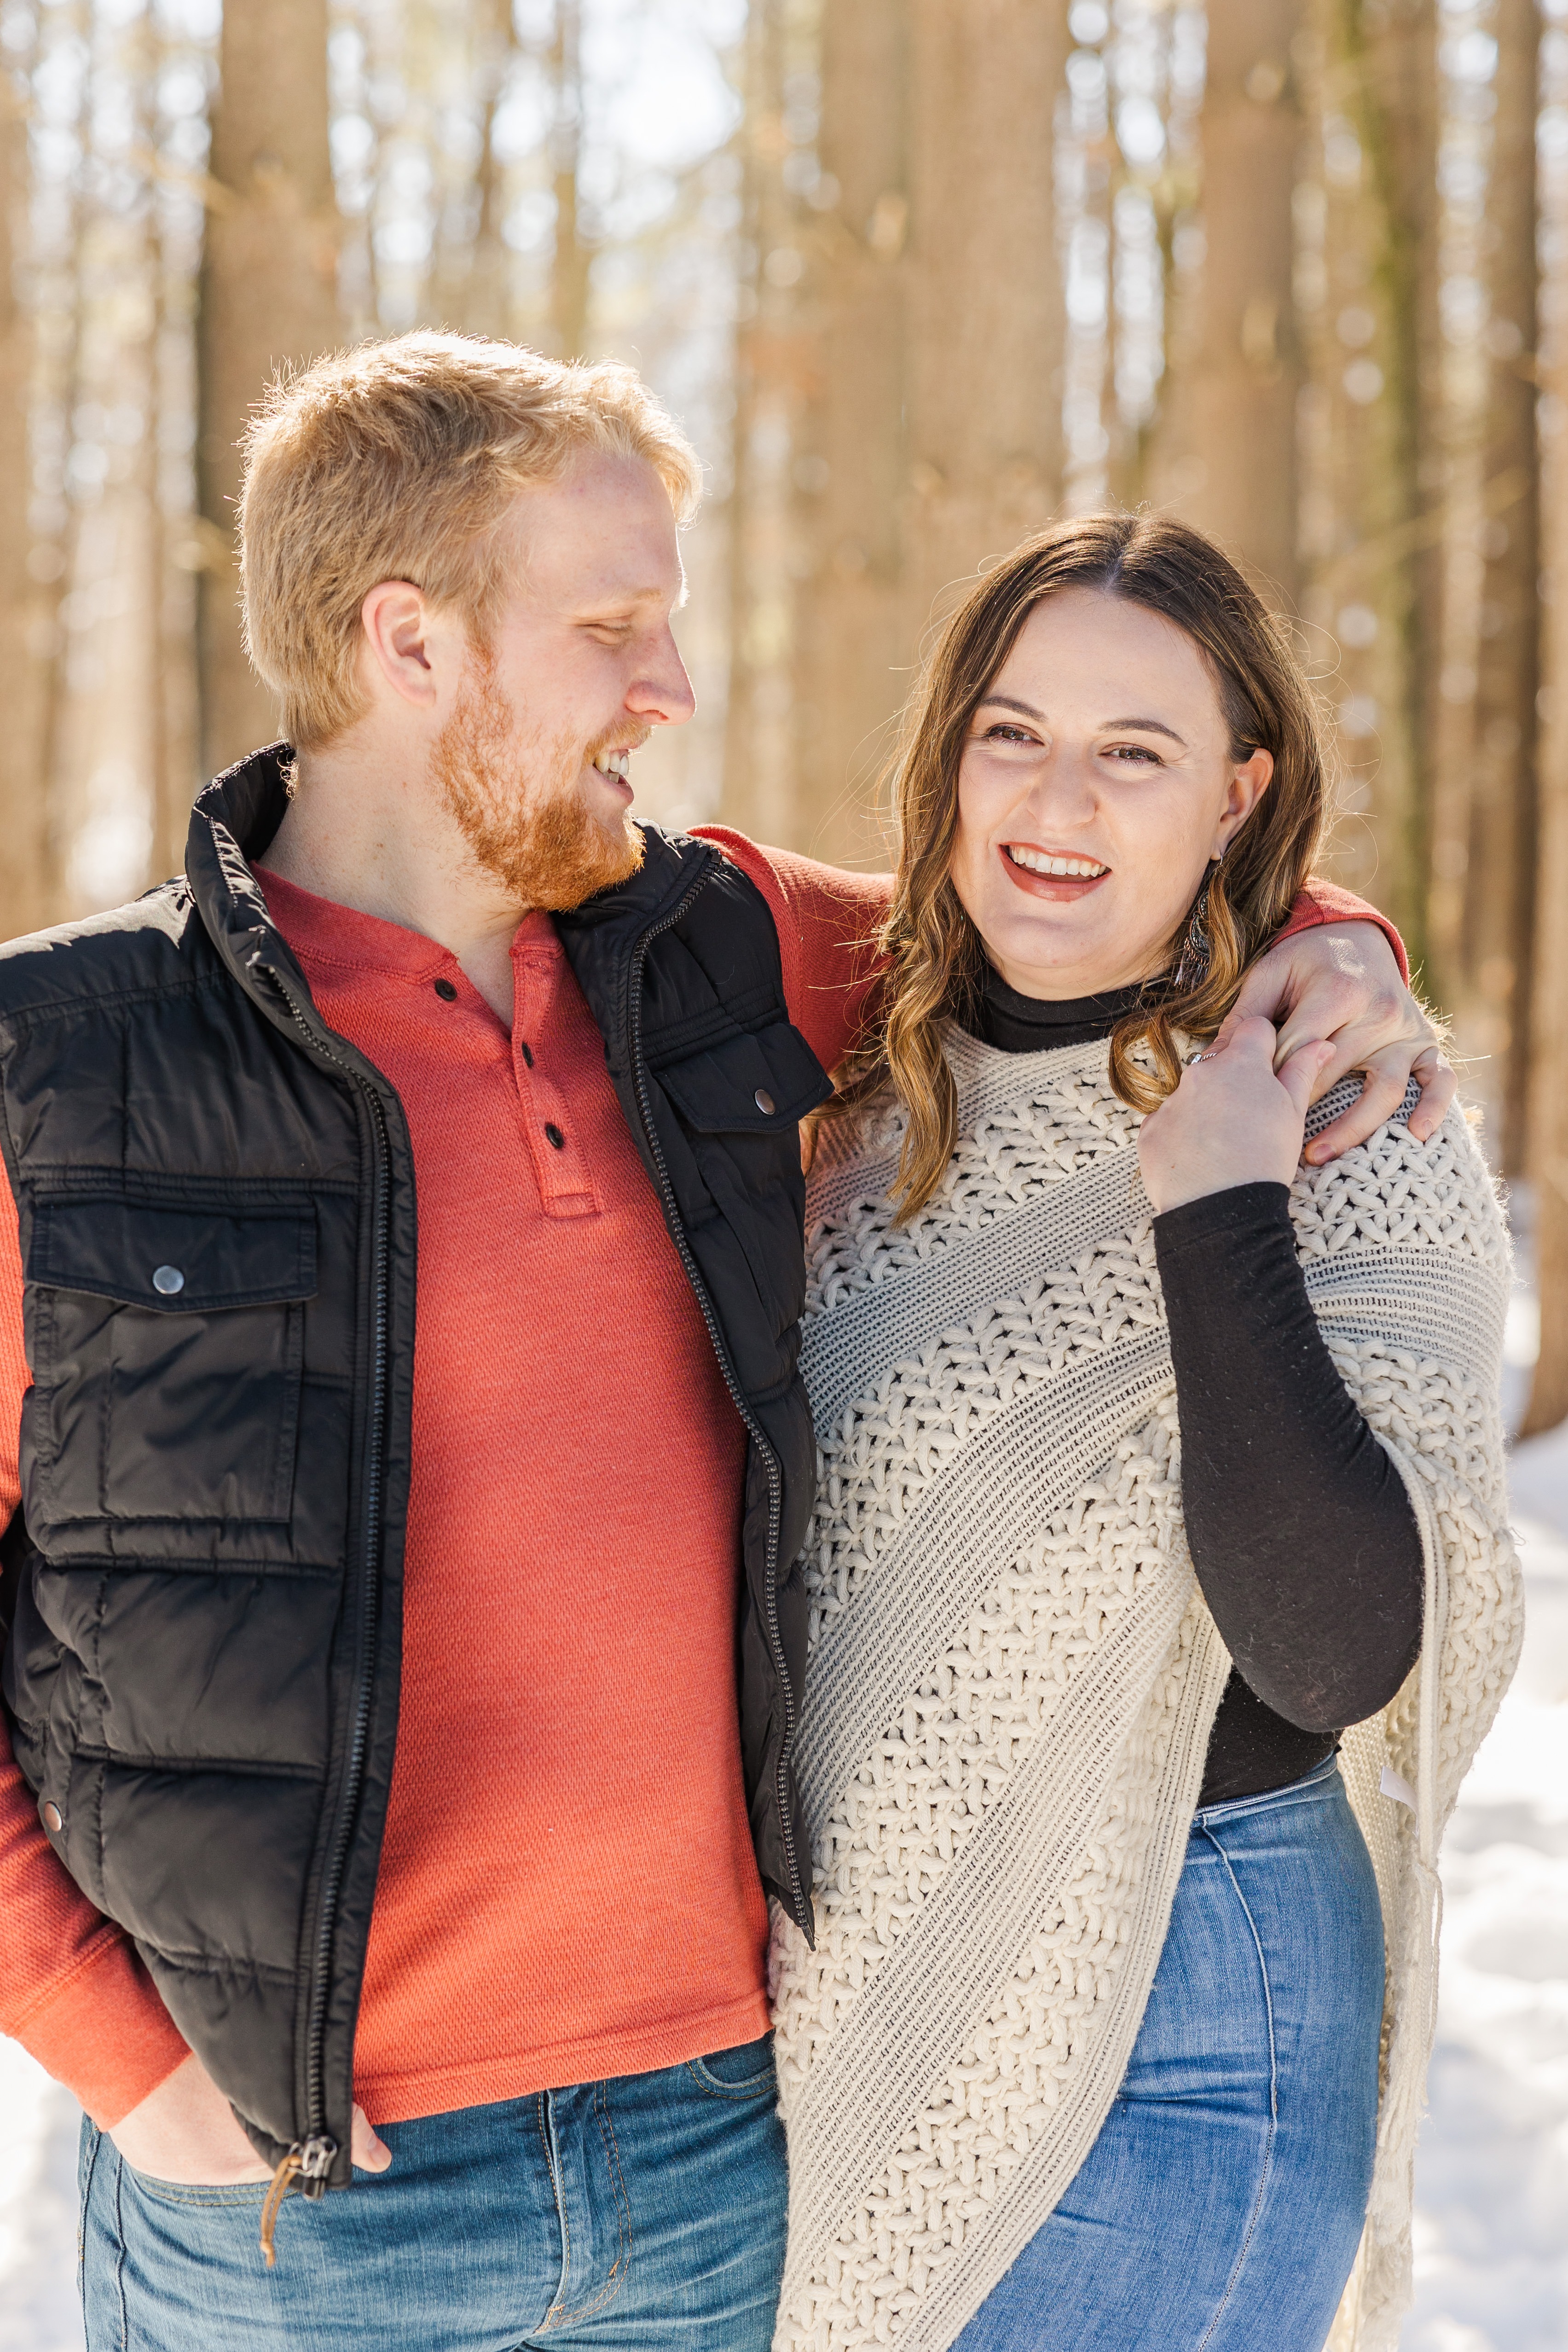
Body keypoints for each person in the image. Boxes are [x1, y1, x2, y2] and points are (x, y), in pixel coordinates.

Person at [0, 337, 1447, 2352]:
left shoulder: (719, 954)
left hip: (720, 2150)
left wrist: (1333, 953)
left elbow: (1081, 894)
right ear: (410, 648)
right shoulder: (61, 1069)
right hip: (311, 2208)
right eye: (613, 629)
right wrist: (113, 2053)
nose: (672, 689)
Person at [769, 513, 1522, 2352]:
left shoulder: (1351, 1118)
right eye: (1013, 732)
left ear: (1241, 794)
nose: (1058, 798)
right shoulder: (872, 1098)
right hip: (872, 1978)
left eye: (1135, 753)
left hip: (1187, 2021)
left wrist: (1219, 1214)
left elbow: (1341, 1649)